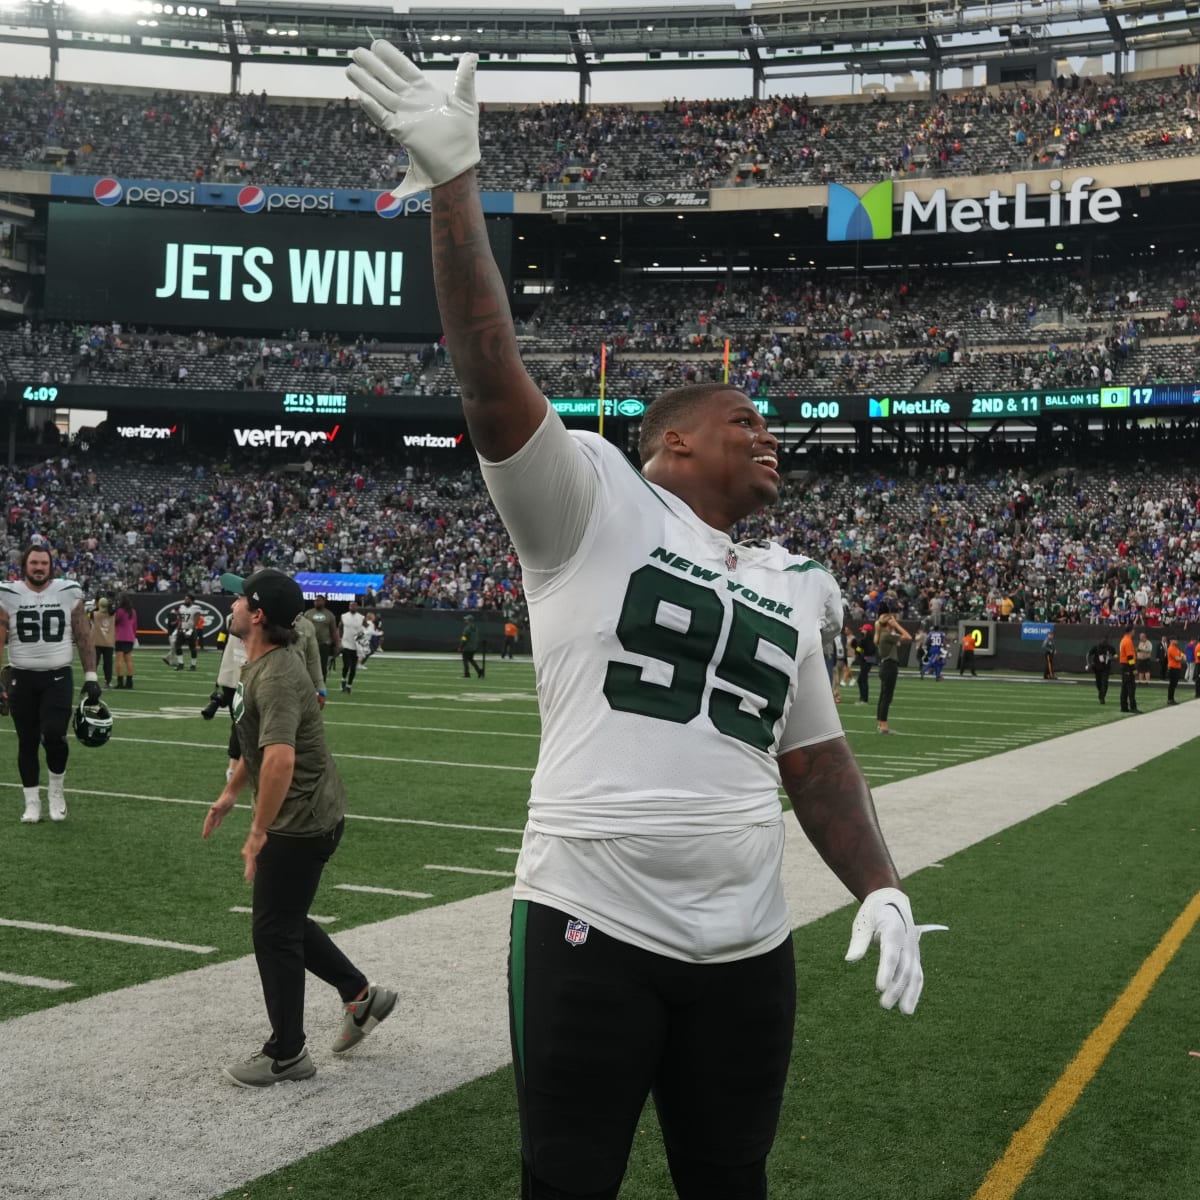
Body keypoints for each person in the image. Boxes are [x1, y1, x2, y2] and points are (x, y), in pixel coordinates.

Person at [348, 44, 943, 1200]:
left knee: (734, 1183)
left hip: (750, 943)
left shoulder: (787, 578)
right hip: (592, 920)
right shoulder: (588, 502)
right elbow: (488, 375)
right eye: (743, 419)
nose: (768, 435)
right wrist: (454, 183)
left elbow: (816, 762)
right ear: (671, 443)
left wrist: (878, 884)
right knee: (567, 1184)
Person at [202, 568, 396, 1087]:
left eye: (244, 599)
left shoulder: (279, 674)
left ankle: (287, 1053)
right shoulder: (260, 662)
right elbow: (258, 745)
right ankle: (361, 996)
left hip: (301, 821)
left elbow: (280, 761)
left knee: (272, 930)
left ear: (259, 615)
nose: (236, 604)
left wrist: (258, 831)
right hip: (305, 815)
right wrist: (229, 794)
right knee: (284, 919)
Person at [0, 545, 102, 823]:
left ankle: (56, 791)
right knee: (27, 741)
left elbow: (83, 635)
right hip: (22, 676)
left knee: (55, 735)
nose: (39, 568)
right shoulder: (8, 594)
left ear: (50, 566)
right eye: (34, 563)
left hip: (58, 675)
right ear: (24, 565)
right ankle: (32, 801)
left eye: (43, 563)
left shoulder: (68, 591)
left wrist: (91, 676)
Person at [874, 610, 912, 735]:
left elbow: (900, 642)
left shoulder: (884, 635)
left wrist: (893, 627)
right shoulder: (886, 635)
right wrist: (896, 625)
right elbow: (908, 637)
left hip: (885, 666)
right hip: (889, 666)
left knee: (883, 697)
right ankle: (884, 725)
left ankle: (880, 723)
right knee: (886, 698)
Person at [303, 594, 340, 681]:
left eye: (319, 600)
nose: (316, 602)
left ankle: (321, 686)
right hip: (310, 643)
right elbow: (303, 628)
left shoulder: (329, 615)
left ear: (324, 602)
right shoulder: (308, 613)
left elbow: (333, 631)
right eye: (315, 600)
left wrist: (337, 645)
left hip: (324, 644)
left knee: (322, 666)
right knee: (308, 665)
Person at [165, 593, 203, 671]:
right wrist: (177, 630)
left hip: (190, 629)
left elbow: (196, 620)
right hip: (182, 629)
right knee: (177, 646)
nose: (185, 600)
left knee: (192, 648)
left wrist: (191, 630)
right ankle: (181, 664)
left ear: (191, 600)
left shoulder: (196, 608)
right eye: (185, 599)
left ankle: (193, 665)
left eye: (187, 599)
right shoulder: (182, 607)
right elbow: (181, 620)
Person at [338, 600, 365, 694]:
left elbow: (365, 630)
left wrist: (362, 639)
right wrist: (340, 640)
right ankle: (343, 680)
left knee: (353, 668)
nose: (352, 607)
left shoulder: (361, 617)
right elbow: (340, 628)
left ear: (357, 607)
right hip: (346, 643)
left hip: (356, 645)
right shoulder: (344, 616)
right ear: (349, 607)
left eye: (354, 606)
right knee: (346, 665)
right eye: (350, 606)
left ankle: (349, 685)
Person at [91, 597, 116, 689]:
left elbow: (90, 614)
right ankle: (108, 681)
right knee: (108, 664)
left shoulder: (95, 614)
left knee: (94, 663)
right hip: (109, 643)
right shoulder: (113, 615)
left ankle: (92, 680)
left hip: (96, 641)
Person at [114, 592, 137, 689]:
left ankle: (120, 682)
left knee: (119, 660)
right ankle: (129, 682)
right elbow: (135, 625)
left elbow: (114, 621)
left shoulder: (120, 611)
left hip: (120, 637)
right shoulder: (133, 611)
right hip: (130, 637)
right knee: (128, 660)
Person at [1086, 633, 1116, 705]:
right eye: (1103, 640)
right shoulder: (1096, 647)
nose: (1104, 641)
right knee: (1098, 683)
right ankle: (1101, 694)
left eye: (1105, 640)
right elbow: (1088, 654)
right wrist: (1088, 663)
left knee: (1104, 683)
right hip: (1097, 668)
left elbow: (1115, 656)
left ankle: (1102, 697)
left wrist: (1111, 658)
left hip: (1106, 668)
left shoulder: (1110, 648)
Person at [852, 622, 875, 703]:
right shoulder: (870, 639)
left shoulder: (865, 640)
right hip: (869, 660)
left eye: (863, 630)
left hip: (866, 661)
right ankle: (863, 698)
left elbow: (861, 650)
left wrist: (857, 647)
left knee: (862, 679)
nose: (862, 631)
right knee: (862, 679)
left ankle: (864, 699)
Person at [1119, 626, 1140, 713]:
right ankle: (1133, 707)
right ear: (1130, 631)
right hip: (1127, 666)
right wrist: (1133, 668)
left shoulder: (1123, 640)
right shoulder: (1128, 641)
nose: (1134, 632)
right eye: (1133, 630)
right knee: (1131, 687)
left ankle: (1124, 707)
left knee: (1124, 687)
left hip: (1124, 666)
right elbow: (1130, 657)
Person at [459, 613, 485, 678]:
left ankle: (467, 674)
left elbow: (464, 638)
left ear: (469, 620)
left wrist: (461, 646)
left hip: (467, 647)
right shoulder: (475, 628)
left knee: (465, 661)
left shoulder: (467, 628)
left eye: (466, 619)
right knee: (471, 659)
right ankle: (479, 671)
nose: (465, 620)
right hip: (473, 647)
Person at [1166, 638, 1185, 705]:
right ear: (1171, 640)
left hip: (1176, 668)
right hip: (1173, 668)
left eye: (1177, 639)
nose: (1177, 641)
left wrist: (1181, 657)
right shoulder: (1171, 648)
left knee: (1174, 684)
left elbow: (1182, 655)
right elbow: (1177, 658)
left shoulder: (1176, 648)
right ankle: (1170, 699)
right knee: (1172, 684)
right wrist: (1181, 657)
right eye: (1175, 639)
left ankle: (1171, 699)